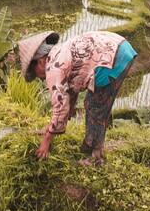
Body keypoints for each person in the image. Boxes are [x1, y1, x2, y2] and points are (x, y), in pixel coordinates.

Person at [18, 29, 137, 166]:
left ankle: (97, 158)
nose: (39, 77)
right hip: (118, 47)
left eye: (34, 72)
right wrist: (51, 126)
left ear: (40, 61)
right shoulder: (58, 51)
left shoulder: (53, 68)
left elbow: (60, 106)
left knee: (95, 106)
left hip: (112, 57)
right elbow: (69, 95)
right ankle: (88, 146)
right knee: (91, 103)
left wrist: (47, 140)